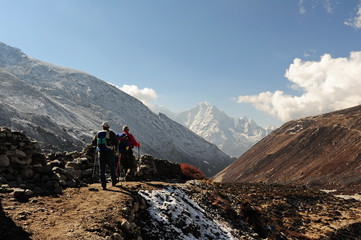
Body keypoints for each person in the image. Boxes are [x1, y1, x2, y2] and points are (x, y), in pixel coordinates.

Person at [92, 121, 119, 190]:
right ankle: (114, 182)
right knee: (112, 167)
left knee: (102, 169)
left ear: (102, 126)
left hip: (101, 153)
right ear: (108, 127)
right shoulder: (111, 133)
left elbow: (93, 143)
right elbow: (117, 142)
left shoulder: (98, 133)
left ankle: (103, 185)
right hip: (110, 153)